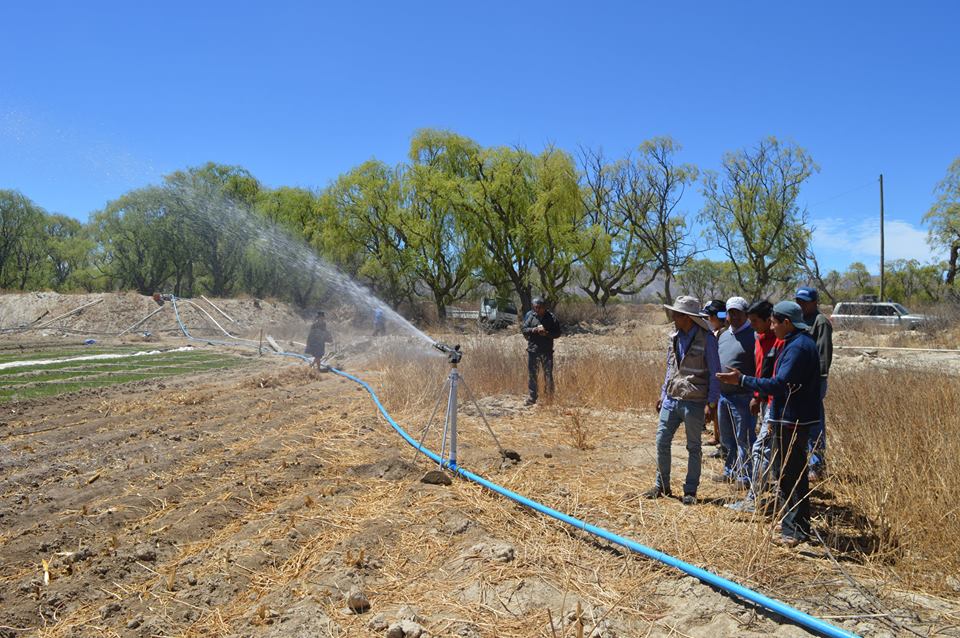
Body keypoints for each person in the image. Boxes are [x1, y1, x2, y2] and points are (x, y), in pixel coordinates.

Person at [716, 301, 821, 547]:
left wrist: (741, 380)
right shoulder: (797, 343)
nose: (771, 327)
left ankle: (794, 531)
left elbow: (779, 384)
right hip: (792, 418)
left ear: (787, 322)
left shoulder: (797, 348)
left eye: (774, 322)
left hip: (792, 419)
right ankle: (796, 527)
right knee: (790, 473)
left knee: (790, 474)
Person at [645, 295, 720, 506]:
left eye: (677, 314)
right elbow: (670, 369)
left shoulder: (707, 339)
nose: (673, 317)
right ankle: (662, 486)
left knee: (694, 447)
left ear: (688, 317)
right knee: (661, 441)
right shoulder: (674, 337)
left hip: (695, 401)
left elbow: (715, 372)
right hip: (671, 398)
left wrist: (711, 403)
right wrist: (662, 395)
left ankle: (690, 490)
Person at [726, 300, 779, 513]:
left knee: (761, 448)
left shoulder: (779, 342)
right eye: (751, 321)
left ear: (769, 320)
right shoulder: (759, 339)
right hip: (764, 400)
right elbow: (760, 370)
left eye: (756, 321)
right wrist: (757, 396)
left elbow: (775, 377)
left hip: (777, 403)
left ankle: (754, 497)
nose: (753, 325)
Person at [714, 297, 756, 486]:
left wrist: (757, 394)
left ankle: (745, 477)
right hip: (724, 395)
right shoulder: (723, 335)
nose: (734, 316)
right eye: (731, 312)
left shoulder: (753, 335)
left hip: (744, 396)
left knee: (744, 438)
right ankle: (730, 471)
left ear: (746, 313)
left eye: (738, 312)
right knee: (727, 438)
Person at [795, 287, 833, 481]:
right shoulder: (799, 321)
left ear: (814, 302)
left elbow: (823, 355)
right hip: (798, 381)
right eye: (799, 301)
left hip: (814, 381)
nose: (801, 305)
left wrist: (817, 380)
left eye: (805, 301)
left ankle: (817, 466)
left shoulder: (821, 322)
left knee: (814, 423)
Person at [521, 297, 561, 406]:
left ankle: (549, 398)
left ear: (544, 307)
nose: (536, 310)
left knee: (548, 375)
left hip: (547, 351)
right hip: (533, 350)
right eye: (535, 307)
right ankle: (532, 397)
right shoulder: (531, 316)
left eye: (538, 307)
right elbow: (524, 329)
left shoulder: (551, 318)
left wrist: (547, 334)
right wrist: (533, 330)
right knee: (533, 374)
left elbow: (557, 333)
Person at [701, 299, 727, 454]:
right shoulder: (715, 332)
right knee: (715, 407)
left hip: (722, 377)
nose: (708, 319)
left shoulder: (723, 332)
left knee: (719, 409)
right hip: (715, 375)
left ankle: (722, 440)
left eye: (710, 316)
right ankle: (717, 436)